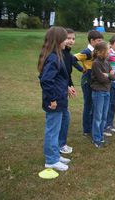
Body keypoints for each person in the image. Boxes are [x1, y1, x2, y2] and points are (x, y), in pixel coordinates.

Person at [38, 26, 71, 171]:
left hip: (60, 98)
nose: (67, 41)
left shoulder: (56, 55)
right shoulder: (52, 57)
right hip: (54, 101)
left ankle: (55, 155)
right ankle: (51, 160)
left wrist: (67, 87)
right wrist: (52, 99)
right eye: (65, 39)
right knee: (52, 130)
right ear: (58, 41)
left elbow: (58, 79)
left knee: (57, 128)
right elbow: (46, 80)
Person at [59, 28, 83, 154]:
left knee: (65, 117)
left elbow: (67, 74)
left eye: (73, 39)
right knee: (64, 117)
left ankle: (61, 143)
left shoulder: (68, 54)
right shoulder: (60, 54)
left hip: (64, 88)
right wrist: (66, 86)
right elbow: (59, 75)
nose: (71, 41)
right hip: (59, 90)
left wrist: (71, 85)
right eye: (68, 38)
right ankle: (60, 144)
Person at [75, 30, 104, 137]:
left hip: (95, 80)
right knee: (88, 104)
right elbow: (73, 58)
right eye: (98, 40)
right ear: (92, 41)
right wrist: (82, 69)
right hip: (87, 80)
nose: (100, 42)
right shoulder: (87, 52)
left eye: (101, 40)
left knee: (94, 104)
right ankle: (86, 130)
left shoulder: (97, 51)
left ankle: (93, 127)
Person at [90, 42, 115, 148]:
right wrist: (109, 76)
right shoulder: (96, 63)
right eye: (107, 51)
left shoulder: (107, 62)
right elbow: (101, 79)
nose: (109, 53)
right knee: (98, 116)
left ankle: (101, 137)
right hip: (98, 93)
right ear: (100, 52)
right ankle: (96, 139)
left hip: (107, 91)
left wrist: (109, 75)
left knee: (104, 117)